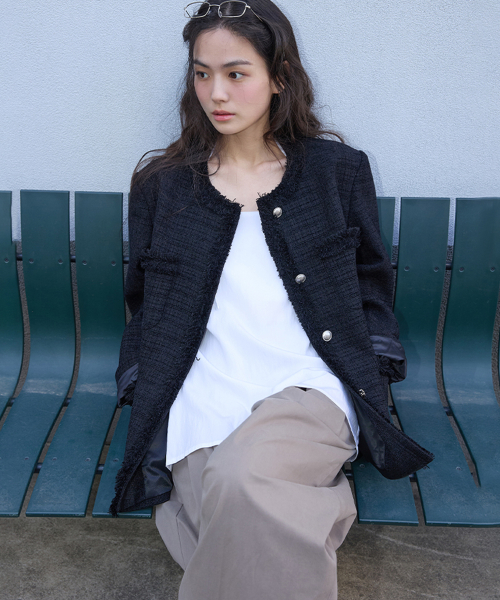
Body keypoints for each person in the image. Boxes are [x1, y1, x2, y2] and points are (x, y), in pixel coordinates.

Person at [111, 1, 434, 598]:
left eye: (236, 73)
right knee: (222, 516)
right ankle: (318, 504)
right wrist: (140, 378)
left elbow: (369, 281)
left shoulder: (336, 172)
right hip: (202, 390)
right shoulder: (163, 186)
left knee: (239, 480)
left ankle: (300, 495)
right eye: (202, 73)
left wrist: (375, 365)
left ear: (279, 77)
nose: (216, 93)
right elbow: (145, 302)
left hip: (308, 383)